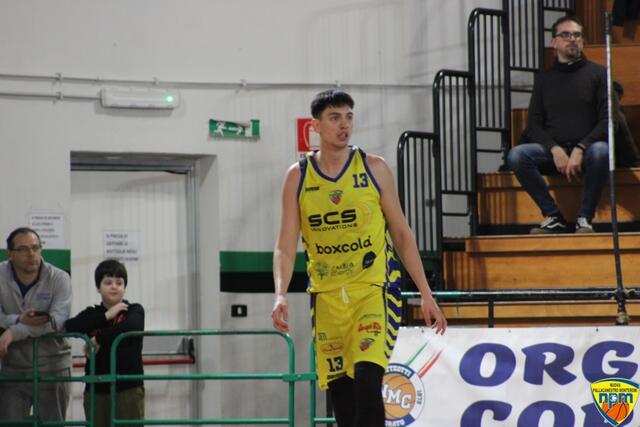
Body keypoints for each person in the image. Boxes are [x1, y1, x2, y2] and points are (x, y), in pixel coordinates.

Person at [271, 90, 447, 427]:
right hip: (327, 296)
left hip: (373, 290)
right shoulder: (298, 175)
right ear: (315, 126)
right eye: (335, 118)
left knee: (367, 382)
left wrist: (426, 293)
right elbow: (285, 245)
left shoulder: (373, 168)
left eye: (349, 117)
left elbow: (402, 234)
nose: (344, 125)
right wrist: (280, 293)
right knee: (342, 398)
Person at [507, 15, 609, 234]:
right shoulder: (544, 79)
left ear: (582, 41)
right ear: (554, 42)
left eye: (577, 35)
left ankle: (585, 217)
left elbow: (608, 120)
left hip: (588, 151)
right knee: (517, 155)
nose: (572, 39)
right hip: (555, 153)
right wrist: (555, 149)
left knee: (602, 150)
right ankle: (553, 216)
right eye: (566, 35)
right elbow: (533, 124)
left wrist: (581, 148)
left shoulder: (599, 74)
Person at [0, 227, 72, 424]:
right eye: (23, 249)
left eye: (35, 247)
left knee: (53, 423)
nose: (31, 254)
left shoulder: (59, 278)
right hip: (13, 368)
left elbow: (57, 321)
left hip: (53, 367)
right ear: (9, 253)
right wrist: (17, 319)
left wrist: (14, 332)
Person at [64, 259, 145, 427]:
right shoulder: (92, 313)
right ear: (98, 287)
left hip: (128, 388)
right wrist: (107, 315)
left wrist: (99, 338)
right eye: (108, 282)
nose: (114, 287)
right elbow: (70, 326)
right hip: (96, 388)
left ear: (124, 287)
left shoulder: (134, 310)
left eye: (119, 283)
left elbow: (131, 326)